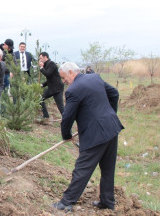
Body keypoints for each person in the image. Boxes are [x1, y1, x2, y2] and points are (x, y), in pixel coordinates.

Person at [52, 62, 124, 212]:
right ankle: (107, 201)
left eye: (64, 78)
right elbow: (114, 94)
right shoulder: (94, 78)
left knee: (83, 168)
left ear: (71, 72)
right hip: (111, 127)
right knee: (108, 168)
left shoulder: (73, 90)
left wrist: (66, 135)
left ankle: (66, 201)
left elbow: (67, 117)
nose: (64, 82)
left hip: (96, 134)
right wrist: (109, 114)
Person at [38, 52, 64, 121]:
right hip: (51, 88)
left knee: (60, 106)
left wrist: (41, 67)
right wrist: (42, 85)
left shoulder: (51, 64)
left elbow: (48, 74)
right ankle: (46, 116)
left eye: (41, 58)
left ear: (45, 57)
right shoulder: (47, 65)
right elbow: (50, 79)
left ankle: (66, 120)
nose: (40, 60)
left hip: (57, 88)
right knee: (40, 99)